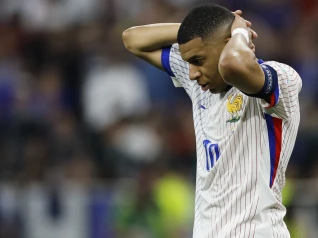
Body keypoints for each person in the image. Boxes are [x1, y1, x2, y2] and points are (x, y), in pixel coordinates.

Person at [122, 3, 302, 237]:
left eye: (197, 59)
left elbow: (232, 64)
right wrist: (198, 32)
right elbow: (132, 39)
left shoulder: (281, 80)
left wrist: (238, 32)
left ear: (228, 44)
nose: (191, 73)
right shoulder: (201, 86)